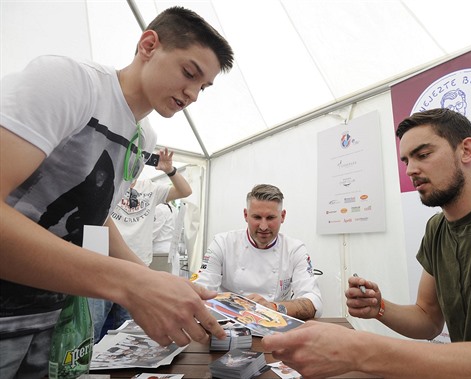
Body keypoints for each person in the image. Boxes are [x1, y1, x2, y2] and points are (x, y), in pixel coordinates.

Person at [0, 6, 233, 378]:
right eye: (189, 73)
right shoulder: (70, 82)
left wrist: (152, 279)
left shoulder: (144, 139)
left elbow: (96, 219)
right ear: (148, 44)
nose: (192, 94)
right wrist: (130, 283)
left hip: (51, 313)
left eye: (202, 87)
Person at [261, 108, 471, 378]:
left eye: (423, 155)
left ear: (466, 150)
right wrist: (379, 308)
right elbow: (428, 319)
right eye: (406, 160)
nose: (410, 170)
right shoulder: (437, 229)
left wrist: (360, 349)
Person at [89, 147, 192, 342]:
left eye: (139, 157)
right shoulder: (106, 183)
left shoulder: (150, 188)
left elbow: (185, 191)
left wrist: (170, 170)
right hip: (103, 267)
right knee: (92, 328)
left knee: (130, 332)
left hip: (137, 269)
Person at [192, 184, 323, 320]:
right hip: (230, 323)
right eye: (257, 217)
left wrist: (272, 307)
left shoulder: (295, 249)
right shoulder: (223, 243)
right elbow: (201, 289)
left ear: (282, 216)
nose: (263, 226)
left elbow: (314, 302)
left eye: (271, 218)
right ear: (246, 215)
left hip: (276, 323)